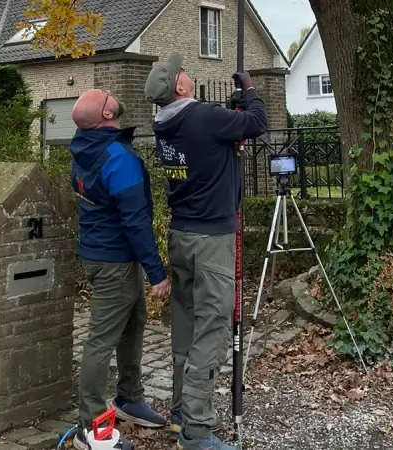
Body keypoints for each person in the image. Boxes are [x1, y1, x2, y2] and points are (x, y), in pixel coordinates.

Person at [144, 53, 268, 450]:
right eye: (184, 71)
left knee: (184, 328)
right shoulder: (203, 117)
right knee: (211, 331)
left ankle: (181, 410)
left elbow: (214, 146)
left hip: (181, 235)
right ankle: (197, 431)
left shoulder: (164, 123)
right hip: (210, 241)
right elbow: (257, 123)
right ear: (180, 86)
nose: (188, 73)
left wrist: (229, 141)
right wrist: (249, 89)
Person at [68, 88, 171, 450]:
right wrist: (156, 272)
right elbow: (136, 221)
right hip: (115, 261)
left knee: (133, 324)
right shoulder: (116, 157)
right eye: (108, 96)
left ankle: (129, 398)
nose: (113, 95)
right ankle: (91, 426)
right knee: (102, 339)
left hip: (102, 255)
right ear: (108, 116)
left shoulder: (83, 147)